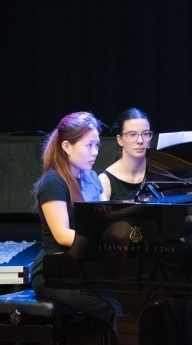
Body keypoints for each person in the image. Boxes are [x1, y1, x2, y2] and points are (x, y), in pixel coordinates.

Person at [99, 107, 192, 345]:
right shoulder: (105, 180)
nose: (140, 141)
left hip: (163, 259)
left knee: (179, 288)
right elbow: (100, 225)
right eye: (132, 134)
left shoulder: (163, 175)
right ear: (120, 139)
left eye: (146, 134)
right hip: (126, 267)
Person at [30, 111, 119, 342]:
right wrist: (103, 245)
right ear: (67, 146)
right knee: (110, 309)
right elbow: (62, 235)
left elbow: (102, 222)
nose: (95, 152)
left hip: (82, 268)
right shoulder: (53, 182)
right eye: (89, 145)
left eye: (97, 145)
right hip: (54, 272)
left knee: (121, 302)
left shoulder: (90, 178)